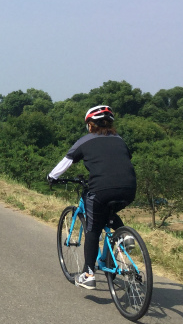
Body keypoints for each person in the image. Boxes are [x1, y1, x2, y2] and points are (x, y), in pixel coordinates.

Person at [47, 105, 137, 289]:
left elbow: (67, 160)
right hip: (129, 188)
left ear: (90, 124)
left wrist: (51, 177)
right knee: (108, 211)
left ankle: (88, 274)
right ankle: (124, 236)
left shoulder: (85, 140)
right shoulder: (120, 140)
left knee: (93, 228)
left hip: (101, 190)